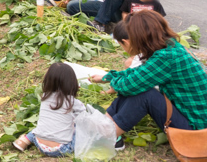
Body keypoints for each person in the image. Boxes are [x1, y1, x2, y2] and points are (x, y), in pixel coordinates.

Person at [89, 10, 207, 142]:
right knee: (139, 85)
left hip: (196, 130)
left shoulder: (166, 57)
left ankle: (108, 137)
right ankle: (106, 125)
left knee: (143, 93)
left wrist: (114, 82)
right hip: (194, 121)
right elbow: (140, 73)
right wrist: (108, 77)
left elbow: (129, 85)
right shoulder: (172, 47)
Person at [13, 63, 85, 157]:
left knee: (42, 127)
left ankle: (24, 141)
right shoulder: (73, 102)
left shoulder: (44, 98)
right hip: (62, 149)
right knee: (79, 126)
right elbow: (84, 117)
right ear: (72, 83)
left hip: (39, 144)